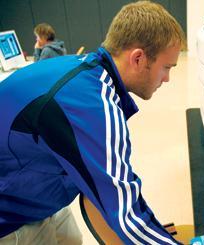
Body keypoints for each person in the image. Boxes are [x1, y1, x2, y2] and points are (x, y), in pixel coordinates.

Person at [0, 1, 186, 244]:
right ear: (138, 58)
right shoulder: (91, 104)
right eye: (166, 67)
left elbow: (110, 184)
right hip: (13, 218)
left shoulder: (88, 71)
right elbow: (125, 214)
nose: (168, 78)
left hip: (40, 194)